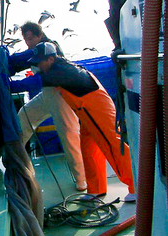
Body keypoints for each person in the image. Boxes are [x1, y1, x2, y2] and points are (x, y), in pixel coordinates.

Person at [27, 42, 135, 201]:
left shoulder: (59, 71)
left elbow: (31, 83)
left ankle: (136, 186)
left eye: (40, 62)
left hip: (97, 111)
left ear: (50, 59)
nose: (38, 65)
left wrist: (6, 83)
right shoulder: (59, 66)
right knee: (89, 149)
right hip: (87, 114)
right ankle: (96, 190)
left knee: (113, 146)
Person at [7, 21, 87, 191]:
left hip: (61, 96)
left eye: (30, 38)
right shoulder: (35, 51)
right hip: (46, 95)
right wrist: (5, 61)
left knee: (69, 136)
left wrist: (12, 85)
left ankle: (82, 181)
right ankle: (18, 162)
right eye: (25, 39)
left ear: (39, 35)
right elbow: (19, 61)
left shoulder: (50, 48)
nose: (28, 42)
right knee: (24, 117)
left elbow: (37, 78)